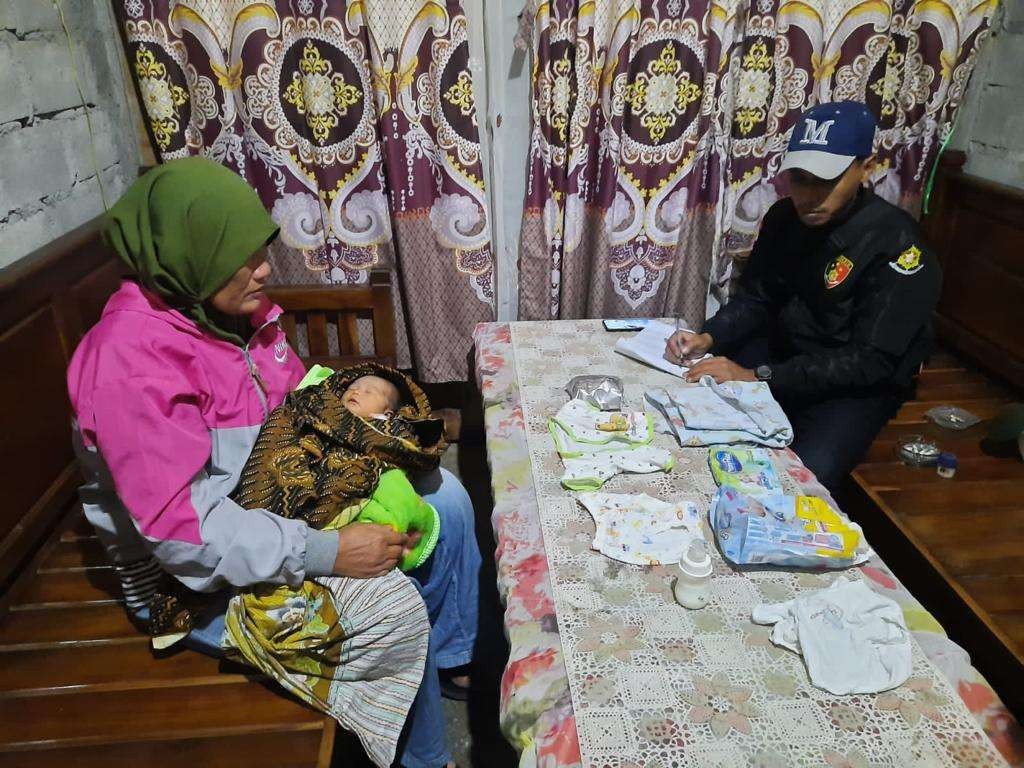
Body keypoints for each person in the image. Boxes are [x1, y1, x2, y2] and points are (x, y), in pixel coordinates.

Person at [66, 157, 478, 768]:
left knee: (444, 496)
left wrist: (373, 431)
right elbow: (189, 537)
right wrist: (328, 550)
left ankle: (447, 660)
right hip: (191, 581)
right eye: (245, 255)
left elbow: (296, 402)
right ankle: (424, 755)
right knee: (392, 606)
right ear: (193, 253)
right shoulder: (130, 366)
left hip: (274, 500)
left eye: (261, 249)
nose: (265, 270)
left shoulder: (231, 312)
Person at [666, 101, 942, 491]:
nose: (808, 196)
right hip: (787, 353)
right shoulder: (783, 219)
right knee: (696, 410)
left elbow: (870, 360)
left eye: (826, 181)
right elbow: (757, 298)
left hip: (853, 386)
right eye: (800, 178)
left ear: (866, 167)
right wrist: (708, 337)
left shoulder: (898, 245)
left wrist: (756, 377)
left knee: (792, 485)